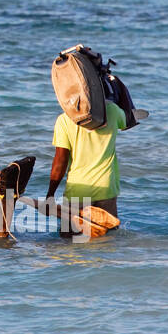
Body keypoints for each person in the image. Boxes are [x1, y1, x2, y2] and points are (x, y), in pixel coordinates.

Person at [47, 96, 127, 234]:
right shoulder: (113, 112)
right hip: (106, 189)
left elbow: (60, 161)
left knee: (70, 241)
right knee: (107, 241)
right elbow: (126, 120)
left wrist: (50, 194)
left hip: (78, 191)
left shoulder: (64, 120)